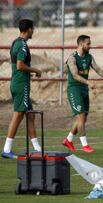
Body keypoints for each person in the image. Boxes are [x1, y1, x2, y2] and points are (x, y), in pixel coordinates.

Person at [62, 35, 103, 153]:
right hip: (74, 89)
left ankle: (68, 140)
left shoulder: (89, 57)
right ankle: (85, 145)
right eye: (88, 44)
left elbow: (97, 69)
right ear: (81, 44)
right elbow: (75, 75)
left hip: (84, 89)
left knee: (83, 118)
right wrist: (88, 82)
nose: (90, 46)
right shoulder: (72, 58)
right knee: (81, 117)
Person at [2, 19, 42, 159]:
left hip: (18, 83)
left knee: (30, 115)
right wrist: (35, 70)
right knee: (18, 115)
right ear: (29, 29)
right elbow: (20, 66)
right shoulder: (22, 45)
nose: (34, 31)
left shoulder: (16, 42)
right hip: (21, 85)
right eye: (33, 28)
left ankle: (37, 148)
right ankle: (7, 149)